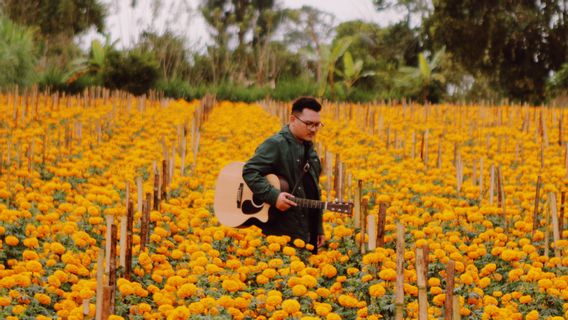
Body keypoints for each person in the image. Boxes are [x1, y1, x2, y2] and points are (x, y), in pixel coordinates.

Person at [242, 97, 325, 253]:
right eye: (309, 124)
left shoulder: (310, 151)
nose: (313, 129)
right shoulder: (276, 144)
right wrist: (274, 196)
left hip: (307, 231)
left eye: (317, 124)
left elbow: (314, 191)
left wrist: (318, 227)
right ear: (293, 119)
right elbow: (250, 171)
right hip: (282, 233)